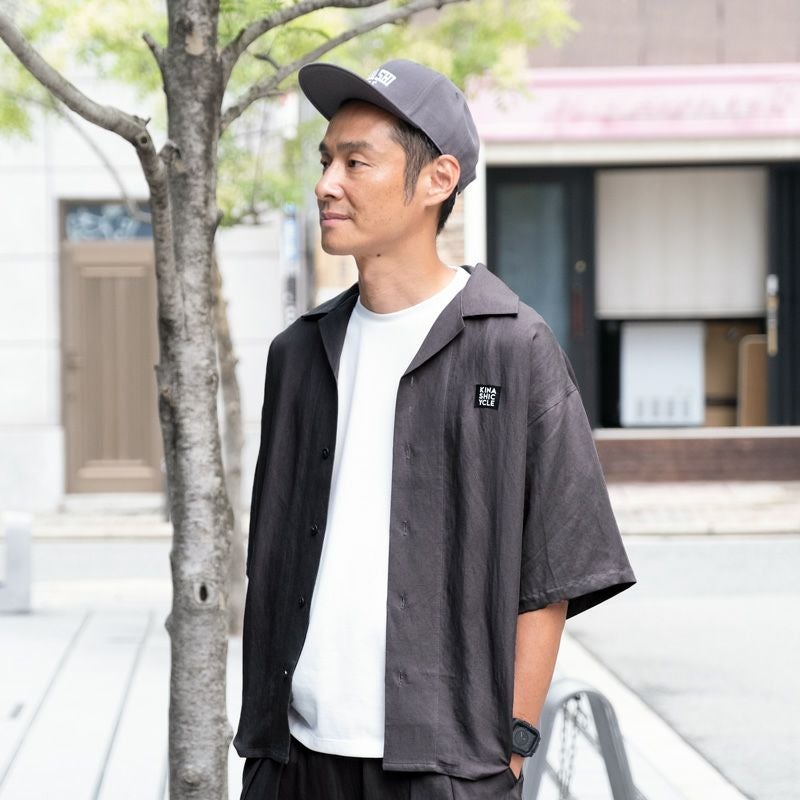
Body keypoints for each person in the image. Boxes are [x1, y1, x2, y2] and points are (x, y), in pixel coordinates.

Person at [234, 58, 635, 800]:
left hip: (446, 769)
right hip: (293, 759)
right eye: (326, 161)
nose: (326, 185)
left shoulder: (513, 346)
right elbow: (274, 549)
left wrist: (514, 743)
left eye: (357, 162)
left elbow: (553, 570)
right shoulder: (297, 354)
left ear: (437, 180)